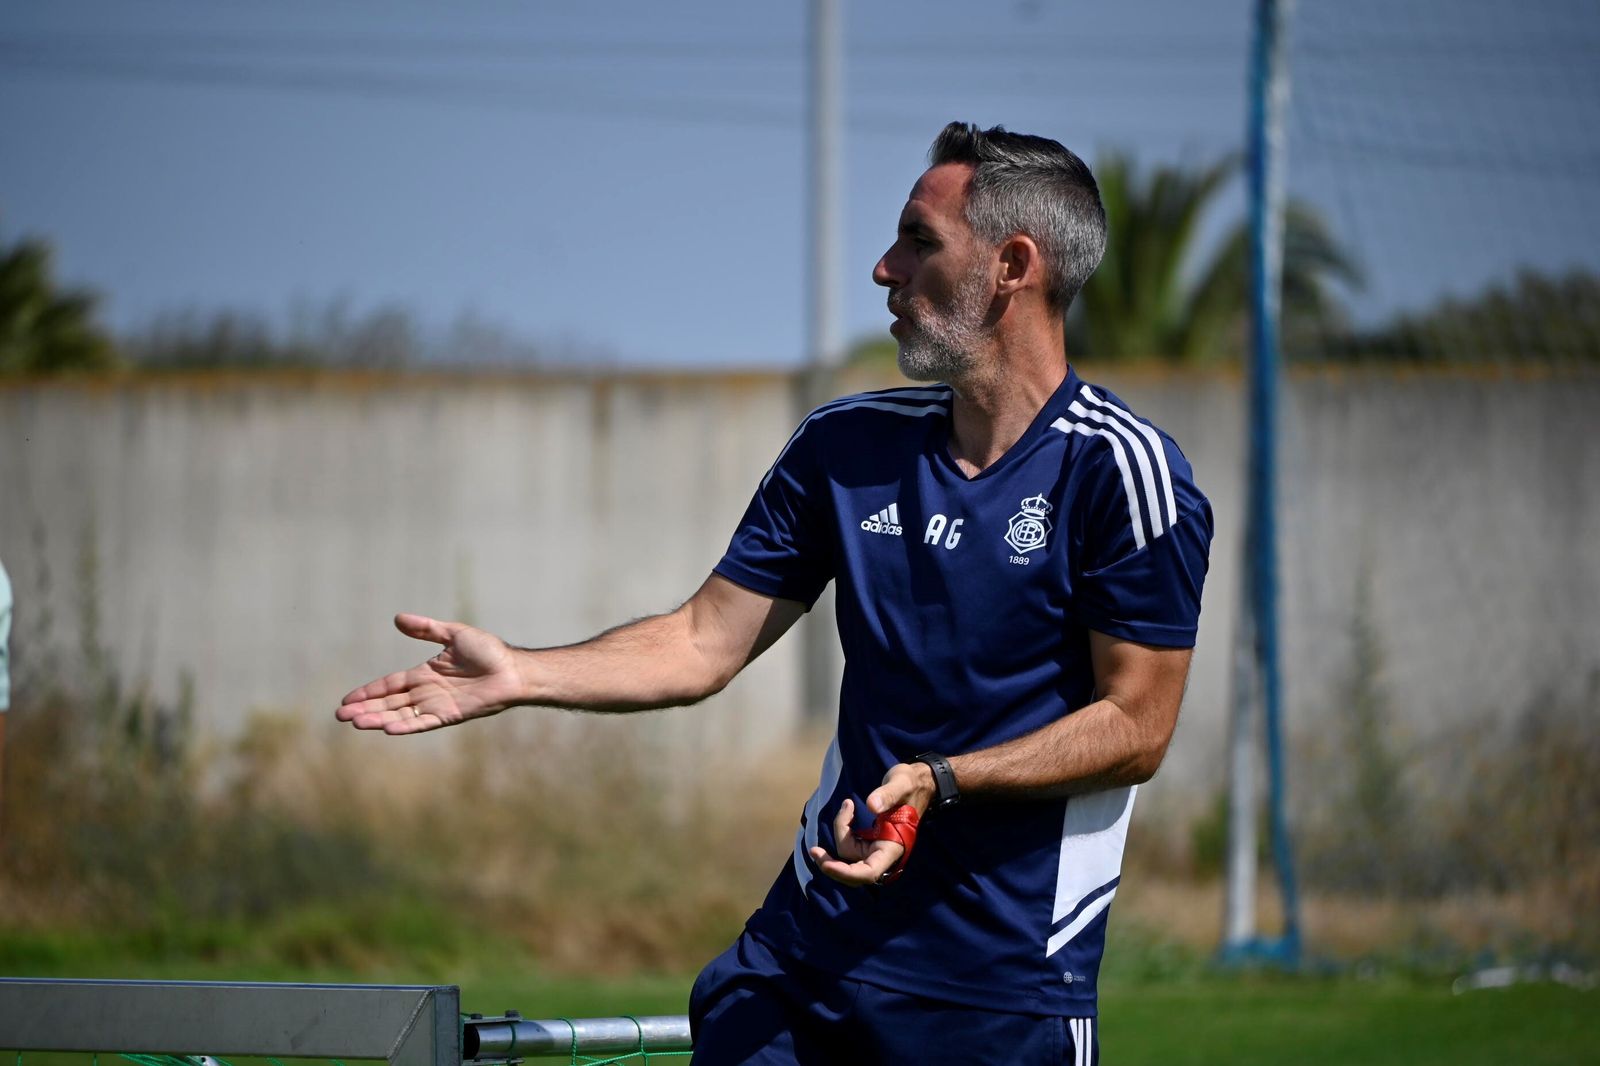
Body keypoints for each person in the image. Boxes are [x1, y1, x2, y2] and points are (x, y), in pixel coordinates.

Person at [337, 122, 1211, 1065]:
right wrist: (520, 671)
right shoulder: (845, 447)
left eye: (920, 240)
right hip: (803, 959)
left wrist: (940, 780)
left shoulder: (1121, 472)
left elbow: (1137, 725)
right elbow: (703, 640)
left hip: (1001, 992)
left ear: (1012, 265)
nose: (885, 268)